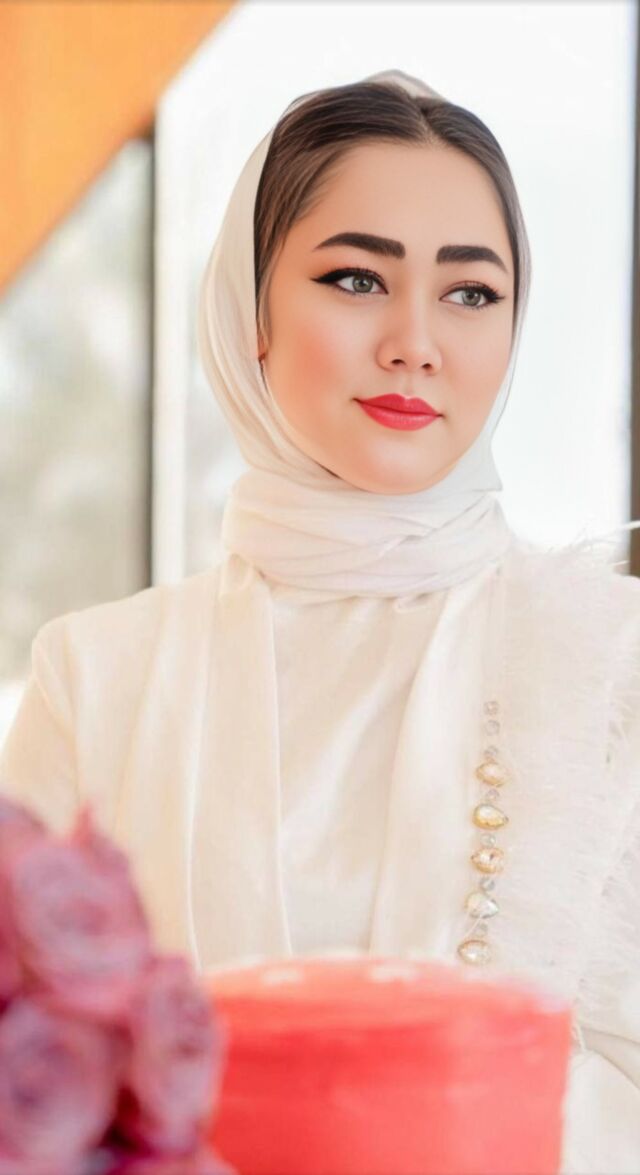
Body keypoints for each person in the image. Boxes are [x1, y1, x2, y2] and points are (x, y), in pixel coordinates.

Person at [1, 68, 639, 1173]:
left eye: (470, 293)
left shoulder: (609, 655)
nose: (415, 342)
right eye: (355, 278)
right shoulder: (98, 674)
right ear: (248, 311)